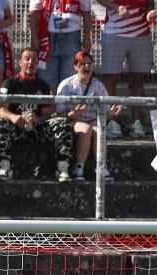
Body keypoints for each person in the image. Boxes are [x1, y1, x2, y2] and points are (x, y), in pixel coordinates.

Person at [0, 47, 74, 182]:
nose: (30, 63)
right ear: (20, 62)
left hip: (37, 128)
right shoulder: (10, 83)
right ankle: (5, 168)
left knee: (62, 123)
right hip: (16, 127)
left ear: (38, 64)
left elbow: (49, 115)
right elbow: (0, 110)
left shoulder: (43, 86)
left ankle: (62, 168)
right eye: (27, 59)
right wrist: (14, 118)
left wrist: (37, 119)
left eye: (34, 60)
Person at [56, 50, 121, 181]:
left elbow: (105, 115)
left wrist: (111, 114)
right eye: (82, 63)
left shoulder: (99, 86)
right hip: (72, 122)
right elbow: (57, 114)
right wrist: (73, 113)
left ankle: (101, 168)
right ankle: (78, 168)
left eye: (89, 63)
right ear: (75, 67)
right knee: (86, 129)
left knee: (98, 129)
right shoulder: (66, 86)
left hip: (93, 121)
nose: (86, 67)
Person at [95, 0, 157, 138]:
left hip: (141, 33)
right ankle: (112, 121)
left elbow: (150, 3)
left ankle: (136, 122)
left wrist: (149, 12)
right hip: (114, 32)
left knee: (138, 79)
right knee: (111, 78)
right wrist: (116, 7)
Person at [29, 0, 93, 88]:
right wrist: (33, 35)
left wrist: (87, 37)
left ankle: (65, 102)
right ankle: (49, 102)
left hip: (72, 37)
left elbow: (86, 12)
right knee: (46, 81)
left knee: (70, 80)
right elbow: (34, 10)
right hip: (47, 37)